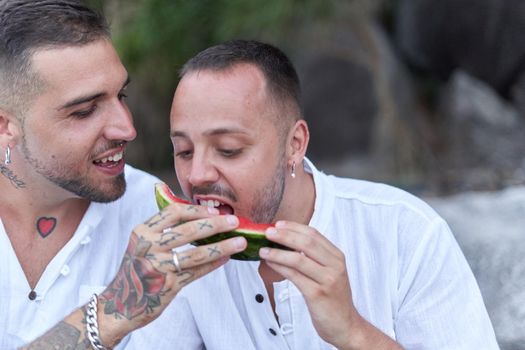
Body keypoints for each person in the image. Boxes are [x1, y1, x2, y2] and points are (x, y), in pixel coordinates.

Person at [126, 39, 500, 349]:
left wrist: (353, 332)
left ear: (295, 144)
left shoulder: (407, 233)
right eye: (184, 151)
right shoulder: (180, 255)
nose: (197, 174)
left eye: (228, 150)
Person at [0, 1, 247, 349]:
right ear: (4, 126)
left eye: (122, 95)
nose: (127, 128)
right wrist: (110, 314)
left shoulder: (162, 225)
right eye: (85, 111)